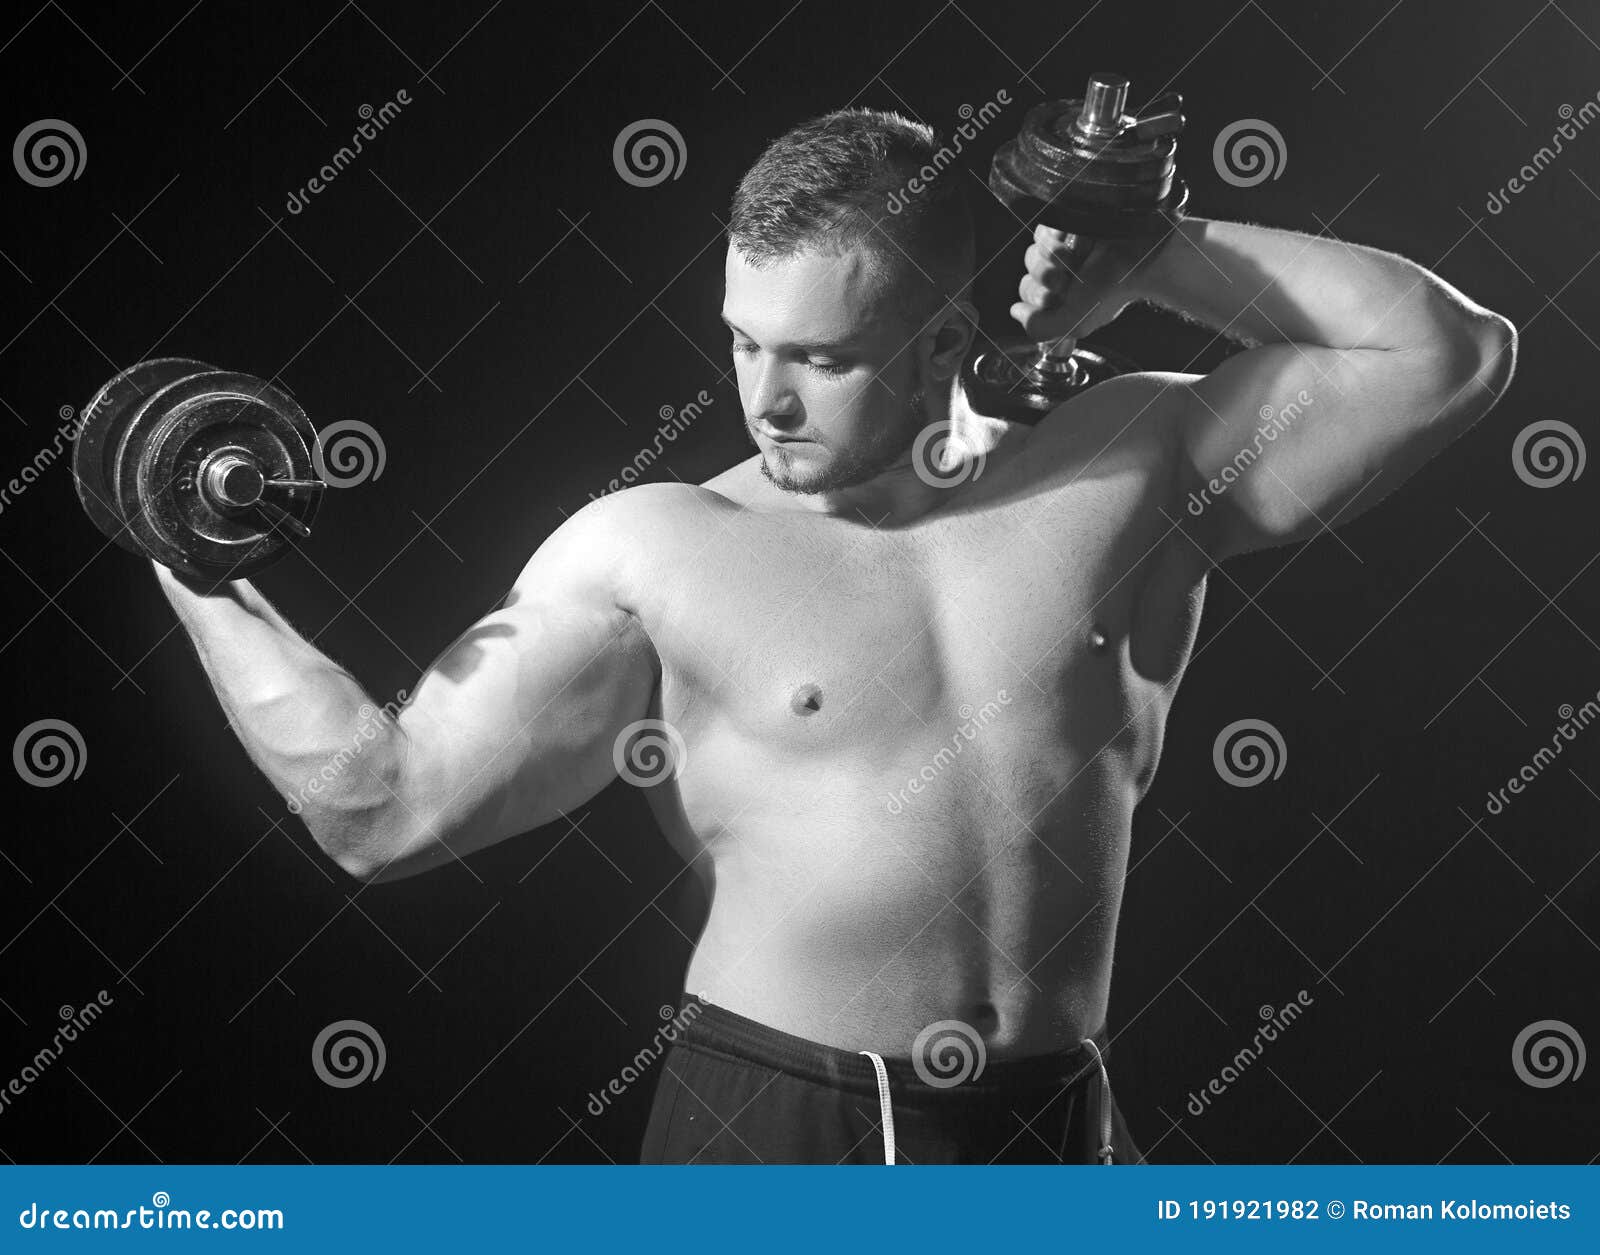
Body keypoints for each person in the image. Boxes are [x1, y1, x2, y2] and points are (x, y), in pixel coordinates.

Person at [153, 108, 1517, 1164]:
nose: (766, 400)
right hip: (777, 1129)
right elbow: (378, 811)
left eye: (821, 357)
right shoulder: (660, 549)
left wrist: (1156, 253)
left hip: (1046, 1125)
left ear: (941, 338)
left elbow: (1444, 358)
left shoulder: (1139, 470)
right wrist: (184, 546)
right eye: (746, 344)